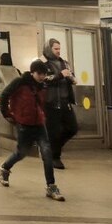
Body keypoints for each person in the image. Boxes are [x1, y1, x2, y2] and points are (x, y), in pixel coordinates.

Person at [0, 59, 65, 201]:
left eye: (44, 74)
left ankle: (51, 186)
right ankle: (5, 168)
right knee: (21, 152)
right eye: (39, 74)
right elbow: (4, 95)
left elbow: (48, 89)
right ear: (32, 72)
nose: (42, 76)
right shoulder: (20, 82)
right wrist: (7, 114)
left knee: (47, 153)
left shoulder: (43, 84)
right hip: (24, 124)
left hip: (39, 124)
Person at [42, 38, 78, 169]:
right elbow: (44, 79)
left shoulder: (65, 63)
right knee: (54, 132)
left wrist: (71, 78)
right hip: (51, 103)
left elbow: (73, 77)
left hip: (65, 102)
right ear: (49, 49)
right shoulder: (43, 64)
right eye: (55, 49)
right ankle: (55, 157)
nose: (58, 51)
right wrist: (60, 75)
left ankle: (52, 149)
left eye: (59, 49)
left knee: (72, 128)